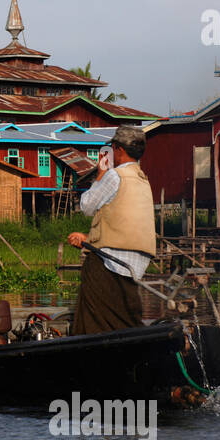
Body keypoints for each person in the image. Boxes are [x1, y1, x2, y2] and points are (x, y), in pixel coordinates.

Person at [66, 125, 156, 336]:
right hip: (137, 263)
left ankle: (86, 345)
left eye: (112, 148)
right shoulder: (144, 180)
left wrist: (100, 175)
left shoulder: (115, 176)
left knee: (92, 312)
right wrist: (89, 237)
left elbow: (87, 207)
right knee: (124, 313)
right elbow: (125, 221)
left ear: (118, 149)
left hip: (111, 260)